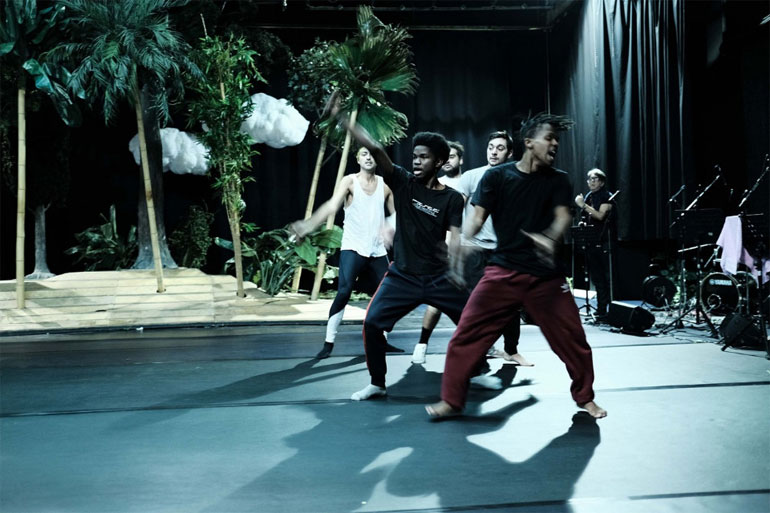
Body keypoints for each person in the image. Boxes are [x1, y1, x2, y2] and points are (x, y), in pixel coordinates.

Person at [426, 112, 607, 420]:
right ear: (529, 142)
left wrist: (549, 237)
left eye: (557, 140)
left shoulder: (558, 179)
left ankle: (585, 397)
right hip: (503, 271)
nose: (554, 144)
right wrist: (459, 242)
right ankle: (452, 401)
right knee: (466, 335)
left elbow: (563, 216)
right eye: (549, 138)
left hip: (546, 277)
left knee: (574, 341)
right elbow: (477, 216)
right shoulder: (497, 177)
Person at [325, 92, 471, 401]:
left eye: (424, 157)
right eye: (414, 156)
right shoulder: (403, 182)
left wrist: (457, 268)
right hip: (403, 275)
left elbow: (456, 236)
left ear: (439, 162)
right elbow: (377, 149)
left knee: (472, 323)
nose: (416, 161)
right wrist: (342, 118)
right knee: (372, 323)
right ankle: (377, 383)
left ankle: (478, 368)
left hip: (439, 277)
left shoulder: (451, 199)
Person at [412, 131, 533, 368]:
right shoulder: (472, 176)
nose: (494, 152)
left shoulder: (517, 179)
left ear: (509, 153)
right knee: (471, 303)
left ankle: (511, 350)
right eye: (491, 147)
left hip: (502, 251)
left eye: (500, 148)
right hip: (473, 249)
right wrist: (452, 243)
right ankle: (465, 350)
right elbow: (455, 211)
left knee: (510, 303)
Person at [290, 146, 396, 359]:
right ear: (358, 159)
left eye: (372, 154)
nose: (368, 158)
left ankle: (381, 340)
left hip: (376, 249)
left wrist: (389, 226)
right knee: (344, 292)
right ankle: (328, 343)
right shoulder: (349, 181)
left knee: (386, 294)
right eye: (364, 154)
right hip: (353, 246)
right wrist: (307, 225)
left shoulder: (385, 186)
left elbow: (396, 214)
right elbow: (331, 206)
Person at [574, 168, 614, 319]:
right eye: (589, 179)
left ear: (602, 182)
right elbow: (588, 217)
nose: (591, 182)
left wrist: (582, 205)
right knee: (597, 278)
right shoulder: (589, 196)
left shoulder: (606, 196)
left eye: (594, 179)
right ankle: (601, 309)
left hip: (604, 241)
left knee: (606, 277)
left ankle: (611, 309)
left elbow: (600, 216)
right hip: (591, 240)